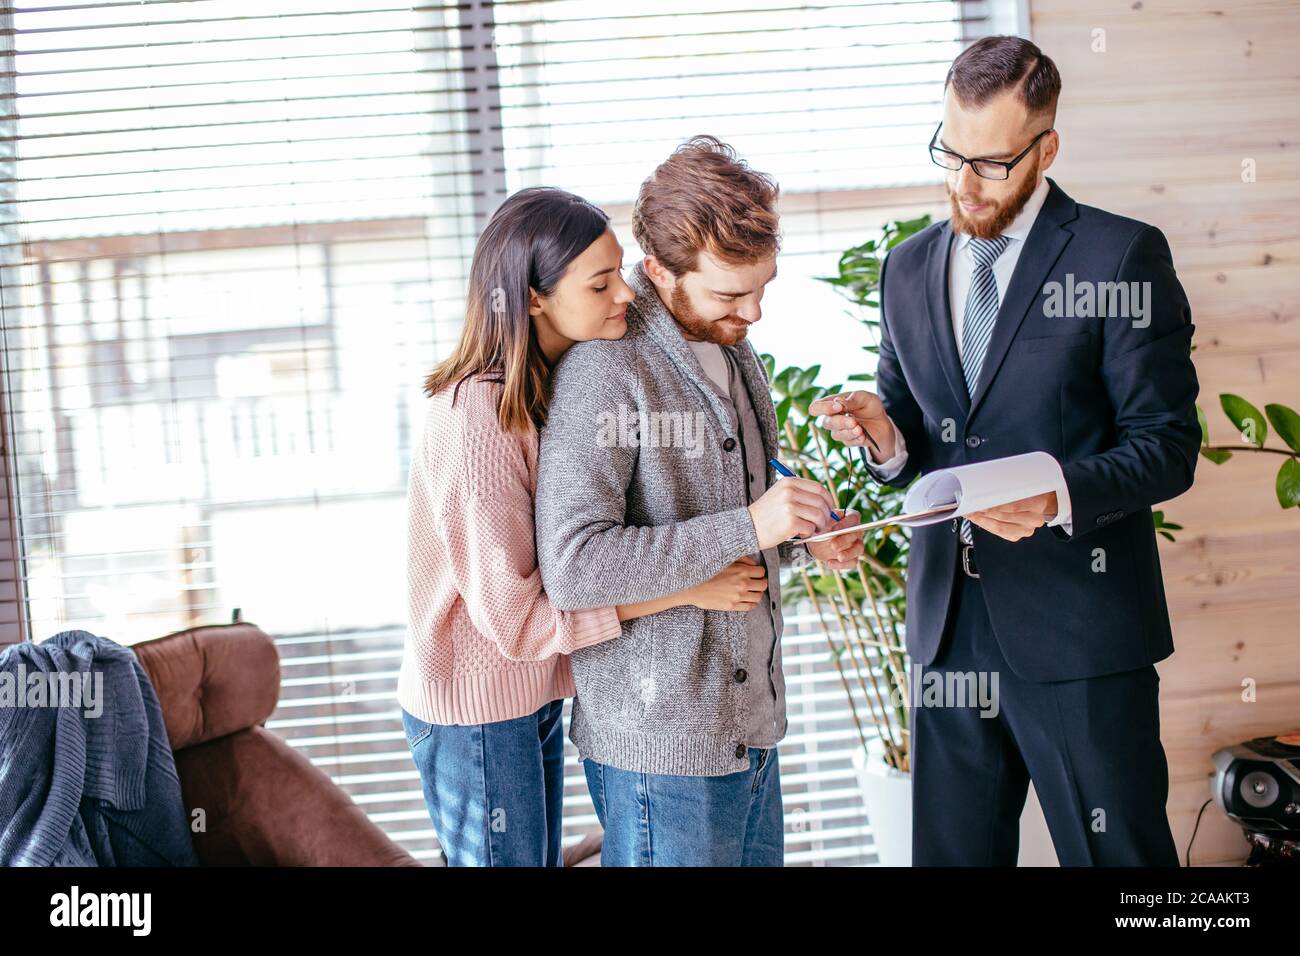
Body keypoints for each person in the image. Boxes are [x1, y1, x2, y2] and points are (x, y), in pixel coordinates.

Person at [811, 36, 1199, 866]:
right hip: (946, 630)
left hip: (1078, 628)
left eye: (988, 163)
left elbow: (1167, 446)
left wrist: (1056, 494)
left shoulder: (1120, 255)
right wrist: (885, 437)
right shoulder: (906, 268)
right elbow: (918, 435)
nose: (962, 183)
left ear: (1045, 147)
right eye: (950, 152)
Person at [398, 186, 774, 866]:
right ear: (534, 298)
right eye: (601, 284)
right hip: (475, 707)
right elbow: (517, 621)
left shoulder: (548, 382)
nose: (627, 295)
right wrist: (687, 588)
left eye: (619, 271)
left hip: (532, 687)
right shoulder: (477, 417)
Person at [535, 137, 865, 867]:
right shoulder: (605, 371)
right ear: (657, 271)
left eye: (763, 286)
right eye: (729, 293)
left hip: (748, 731)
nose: (754, 312)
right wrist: (751, 524)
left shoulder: (732, 344)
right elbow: (575, 566)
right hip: (661, 750)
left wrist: (809, 533)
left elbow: (740, 501)